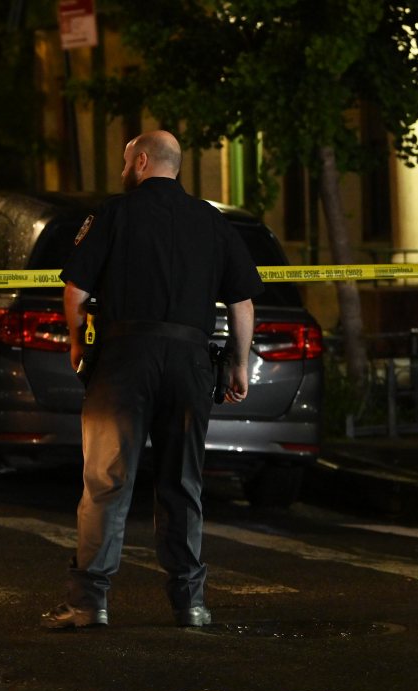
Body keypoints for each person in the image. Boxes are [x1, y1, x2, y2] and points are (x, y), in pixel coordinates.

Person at [41, 130, 264, 630]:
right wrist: (237, 362)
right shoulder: (212, 220)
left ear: (140, 161)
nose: (123, 171)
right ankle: (191, 604)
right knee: (182, 482)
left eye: (126, 162)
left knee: (106, 481)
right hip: (188, 362)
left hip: (124, 360)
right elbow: (243, 303)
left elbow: (76, 289)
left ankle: (88, 603)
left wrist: (79, 343)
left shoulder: (115, 214)